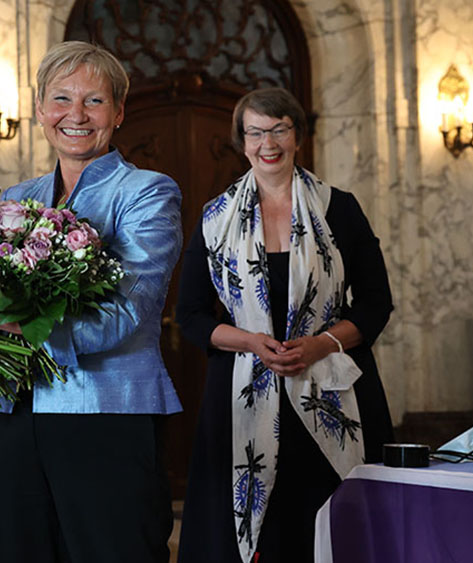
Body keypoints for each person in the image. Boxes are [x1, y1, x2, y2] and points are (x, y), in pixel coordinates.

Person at [0, 41, 183, 563]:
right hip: (11, 416)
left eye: (95, 102)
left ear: (120, 112)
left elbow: (123, 314)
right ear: (39, 111)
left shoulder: (148, 192)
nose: (75, 115)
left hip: (105, 413)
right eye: (60, 99)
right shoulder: (13, 200)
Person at [175, 87, 395, 563]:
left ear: (297, 135)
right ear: (242, 140)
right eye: (255, 132)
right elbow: (191, 315)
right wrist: (252, 342)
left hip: (332, 392)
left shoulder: (340, 208)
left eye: (278, 130)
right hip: (242, 397)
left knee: (332, 531)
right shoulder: (216, 218)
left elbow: (377, 303)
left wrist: (322, 343)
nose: (267, 143)